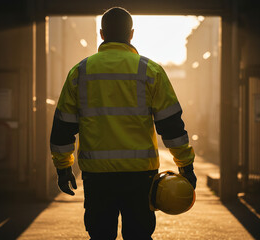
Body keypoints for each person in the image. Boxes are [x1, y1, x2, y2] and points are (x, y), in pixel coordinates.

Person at [50, 6, 197, 240]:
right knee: (139, 235)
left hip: (97, 176)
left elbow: (63, 128)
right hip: (140, 177)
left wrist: (63, 168)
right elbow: (171, 127)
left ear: (101, 33)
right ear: (131, 34)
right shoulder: (150, 71)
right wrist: (185, 165)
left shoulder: (80, 72)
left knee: (100, 235)